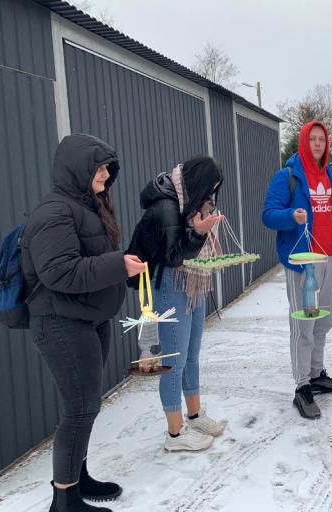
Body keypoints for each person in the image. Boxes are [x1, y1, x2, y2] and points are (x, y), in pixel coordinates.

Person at [21, 134, 146, 512]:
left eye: (109, 167)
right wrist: (117, 264)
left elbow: (90, 263)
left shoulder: (87, 208)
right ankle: (64, 499)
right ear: (78, 167)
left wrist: (123, 268)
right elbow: (59, 272)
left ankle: (78, 476)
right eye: (99, 166)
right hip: (60, 323)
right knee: (79, 408)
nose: (106, 174)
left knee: (87, 405)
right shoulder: (54, 212)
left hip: (88, 318)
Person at [262, 120, 332, 419]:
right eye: (312, 139)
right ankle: (302, 387)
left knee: (323, 321)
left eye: (321, 139)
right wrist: (291, 215)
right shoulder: (287, 177)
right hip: (303, 262)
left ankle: (316, 374)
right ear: (303, 141)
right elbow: (268, 215)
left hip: (331, 258)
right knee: (303, 325)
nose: (317, 144)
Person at [126, 156, 226, 450]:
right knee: (174, 361)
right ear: (196, 182)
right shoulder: (165, 206)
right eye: (209, 189)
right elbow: (172, 256)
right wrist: (198, 233)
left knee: (192, 354)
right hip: (170, 283)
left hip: (193, 281)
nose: (210, 196)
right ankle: (175, 434)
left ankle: (194, 415)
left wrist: (199, 227)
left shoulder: (185, 200)